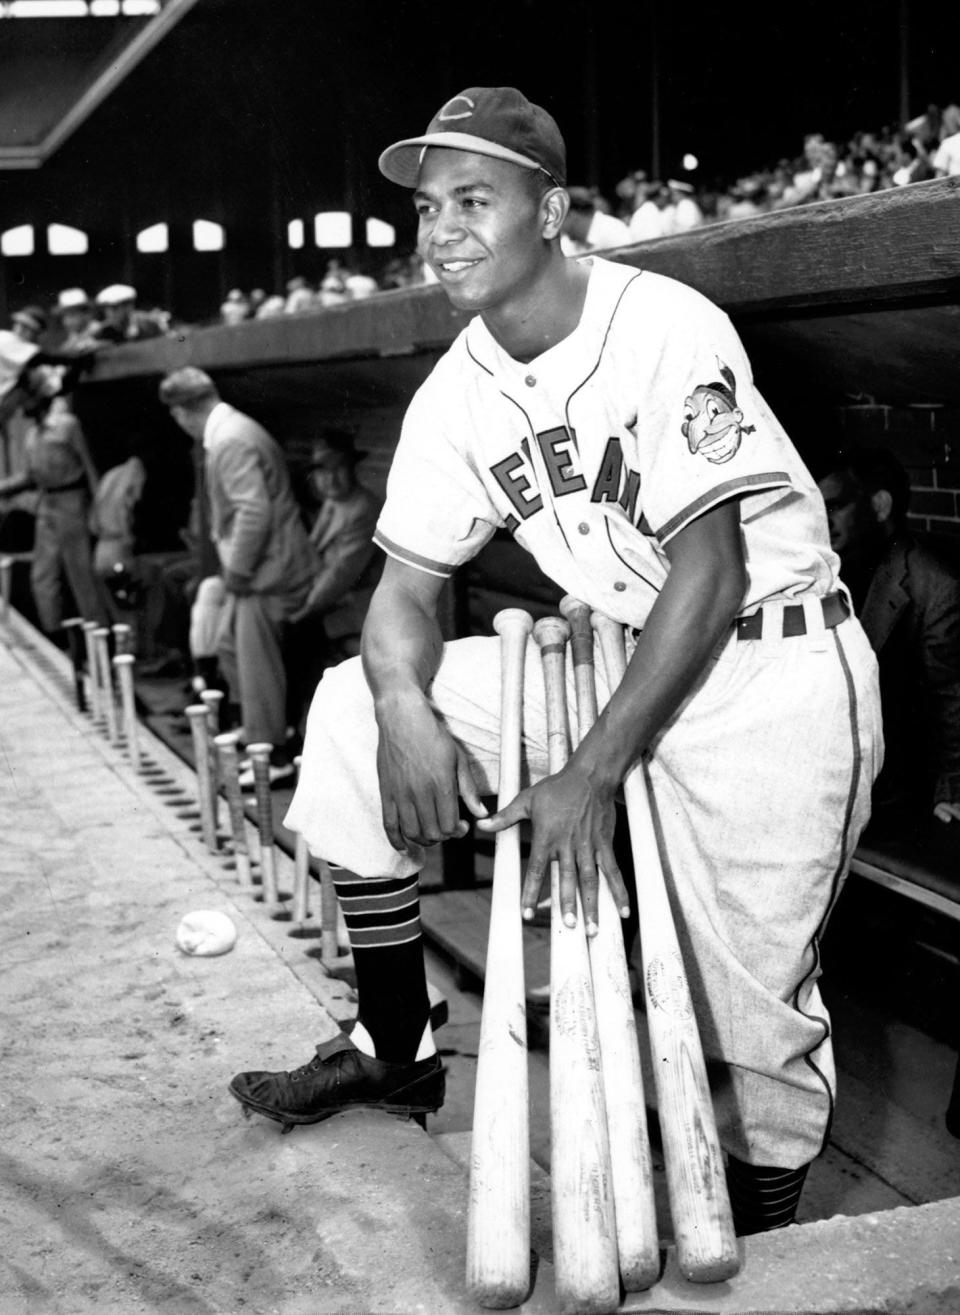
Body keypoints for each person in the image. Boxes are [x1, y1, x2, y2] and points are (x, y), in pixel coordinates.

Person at [229, 85, 882, 1237]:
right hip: (631, 654)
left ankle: (764, 1228)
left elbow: (713, 574)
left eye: (473, 199)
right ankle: (394, 1043)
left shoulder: (662, 325)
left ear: (554, 209)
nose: (440, 231)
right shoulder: (458, 390)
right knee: (345, 705)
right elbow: (401, 598)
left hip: (768, 674)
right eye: (428, 208)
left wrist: (586, 774)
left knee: (751, 1019)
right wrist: (400, 702)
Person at [157, 368, 315, 786]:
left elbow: (252, 512)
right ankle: (260, 732)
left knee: (256, 662)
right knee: (228, 645)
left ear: (182, 412)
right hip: (267, 565)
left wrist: (237, 571)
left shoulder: (228, 440)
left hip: (268, 572)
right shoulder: (236, 429)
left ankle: (273, 755)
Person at [819, 445, 960, 825]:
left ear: (880, 506)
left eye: (835, 507)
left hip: (897, 799)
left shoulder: (935, 587)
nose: (820, 520)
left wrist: (953, 791)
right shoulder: (820, 570)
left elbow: (949, 697)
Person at [285, 429, 383, 735]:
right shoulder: (333, 503)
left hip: (356, 608)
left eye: (338, 468)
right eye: (322, 471)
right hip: (332, 603)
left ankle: (295, 732)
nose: (331, 479)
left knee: (296, 635)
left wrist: (303, 610)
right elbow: (314, 560)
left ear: (352, 468)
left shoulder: (363, 508)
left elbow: (339, 576)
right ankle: (291, 726)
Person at [0, 364, 107, 637]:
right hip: (47, 505)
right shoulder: (33, 434)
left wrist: (100, 511)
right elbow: (30, 476)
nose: (22, 405)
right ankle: (56, 636)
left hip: (73, 502)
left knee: (82, 576)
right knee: (42, 576)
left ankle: (98, 640)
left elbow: (90, 468)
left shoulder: (67, 426)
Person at [93, 285, 166, 344]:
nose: (109, 313)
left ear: (128, 307)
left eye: (114, 308)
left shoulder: (148, 324)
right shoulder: (104, 330)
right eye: (105, 309)